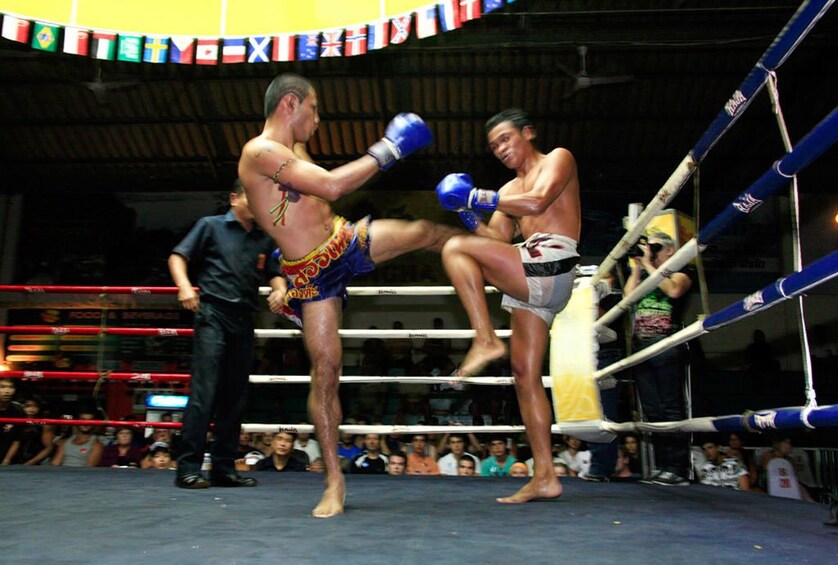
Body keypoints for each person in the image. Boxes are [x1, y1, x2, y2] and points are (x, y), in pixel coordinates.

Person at [237, 72, 461, 517]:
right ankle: (334, 483)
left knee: (422, 230)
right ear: (290, 104)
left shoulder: (293, 150)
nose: (319, 120)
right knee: (327, 368)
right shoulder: (258, 151)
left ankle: (494, 247)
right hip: (312, 274)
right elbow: (334, 187)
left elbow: (316, 205)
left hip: (342, 241)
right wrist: (390, 147)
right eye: (314, 109)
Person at [435, 108, 580, 503]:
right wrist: (465, 213)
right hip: (526, 274)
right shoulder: (508, 191)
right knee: (524, 376)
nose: (500, 149)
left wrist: (475, 196)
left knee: (453, 250)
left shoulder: (558, 159)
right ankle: (545, 476)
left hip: (551, 261)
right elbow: (495, 240)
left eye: (505, 139)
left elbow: (537, 202)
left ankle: (484, 339)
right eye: (494, 145)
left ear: (528, 133)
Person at [168, 179, 285, 490]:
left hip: (244, 318)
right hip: (213, 314)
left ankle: (223, 468)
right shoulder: (210, 225)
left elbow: (276, 272)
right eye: (254, 198)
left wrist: (279, 291)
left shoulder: (264, 237)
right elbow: (178, 256)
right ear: (235, 199)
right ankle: (188, 468)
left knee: (235, 397)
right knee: (204, 393)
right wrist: (183, 286)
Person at [624, 231, 693, 486]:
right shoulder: (647, 274)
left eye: (655, 247)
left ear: (670, 251)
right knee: (653, 410)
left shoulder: (682, 273)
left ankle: (678, 468)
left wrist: (651, 266)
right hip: (641, 346)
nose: (651, 251)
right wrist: (638, 267)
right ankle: (664, 466)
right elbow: (628, 298)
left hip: (666, 344)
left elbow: (673, 291)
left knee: (671, 407)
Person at [0, 377, 24, 465]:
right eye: (2, 387)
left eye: (11, 387)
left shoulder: (17, 410)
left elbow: (17, 440)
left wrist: (7, 460)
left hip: (8, 456)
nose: (7, 391)